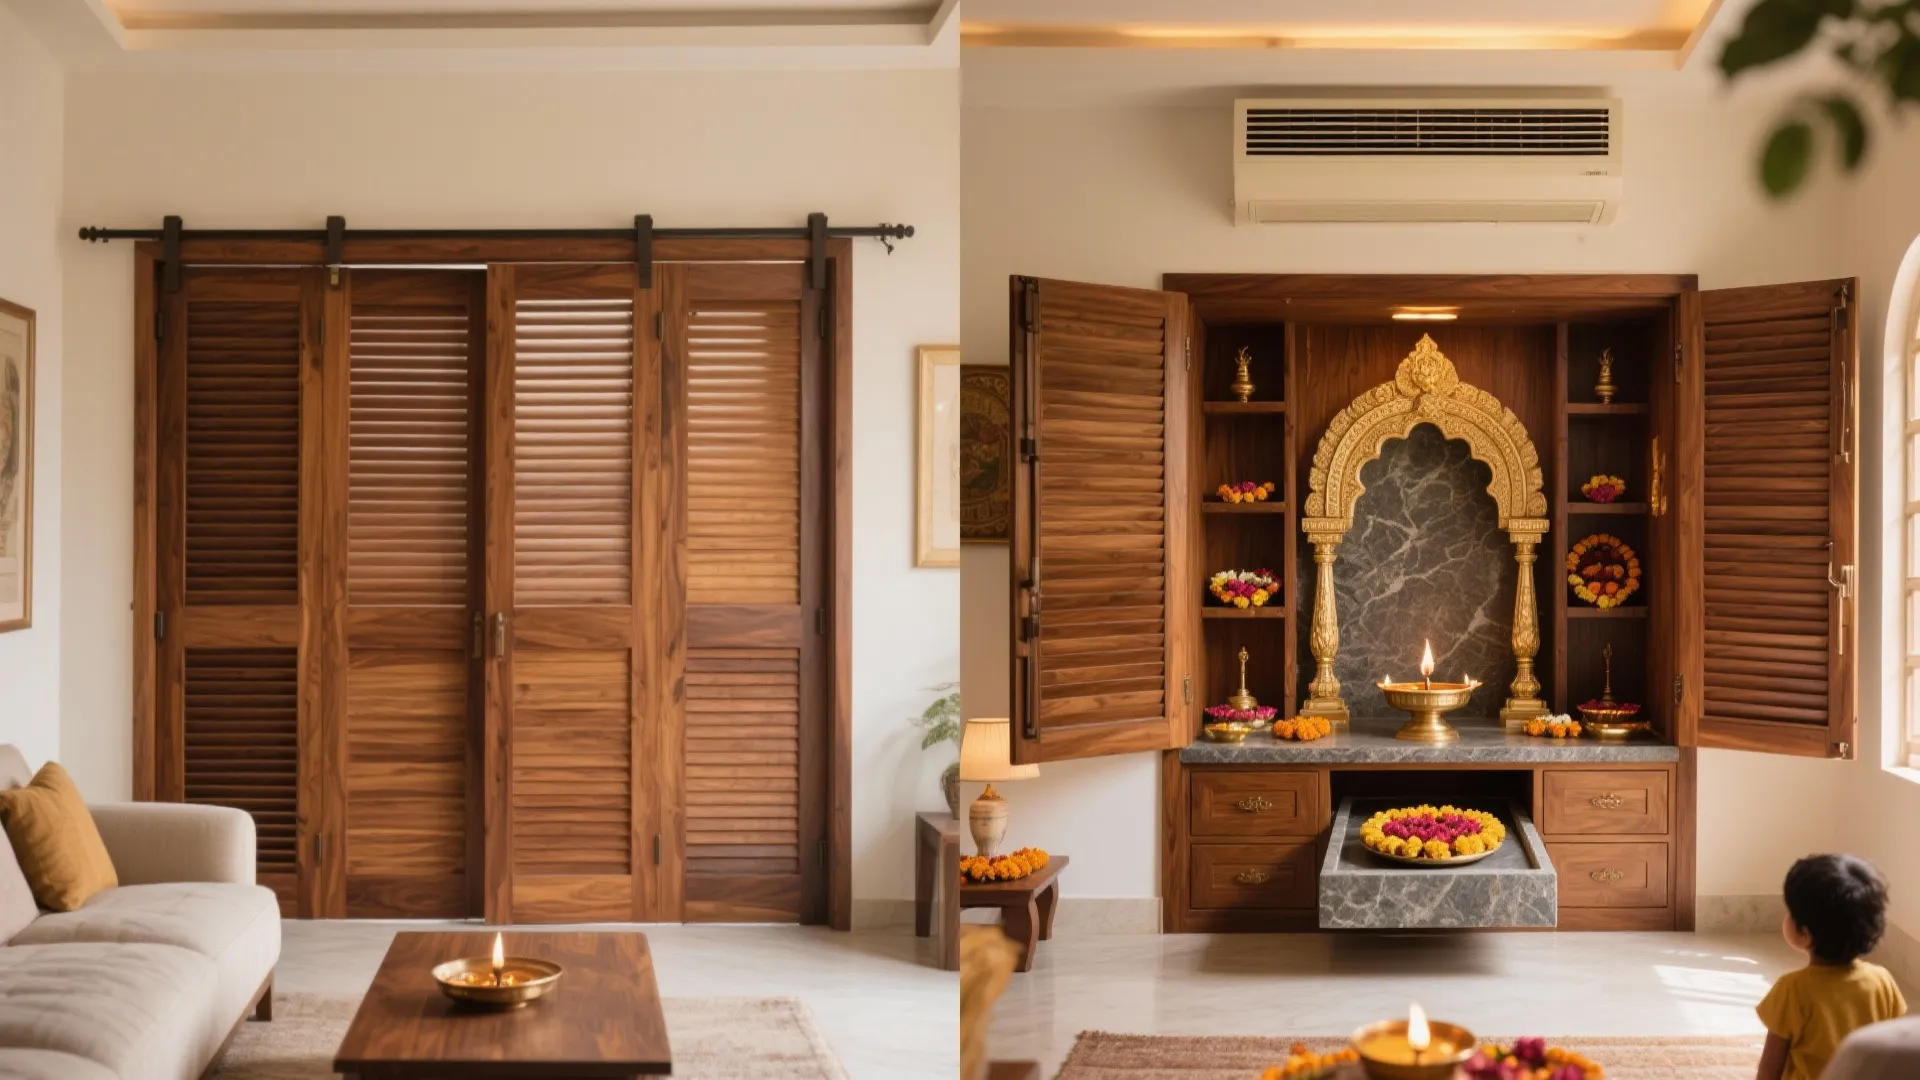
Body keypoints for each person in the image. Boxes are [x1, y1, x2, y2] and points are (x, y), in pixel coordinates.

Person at [1754, 854, 1907, 1080]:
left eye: (1790, 912)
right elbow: (1895, 1052)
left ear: (1804, 933)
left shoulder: (1792, 989)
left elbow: (1770, 1069)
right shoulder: (1883, 981)